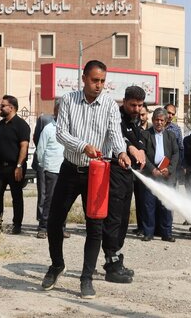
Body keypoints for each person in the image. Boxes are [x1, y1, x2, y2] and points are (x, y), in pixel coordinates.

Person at [41, 60, 130, 299]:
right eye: (94, 80)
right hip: (70, 171)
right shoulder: (68, 100)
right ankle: (57, 265)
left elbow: (115, 134)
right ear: (83, 78)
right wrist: (83, 146)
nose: (99, 85)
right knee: (54, 221)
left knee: (95, 227)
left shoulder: (110, 106)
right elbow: (61, 133)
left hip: (97, 175)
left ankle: (86, 278)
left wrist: (121, 153)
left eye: (102, 81)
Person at [102, 85, 146, 284]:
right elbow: (117, 136)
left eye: (140, 105)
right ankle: (111, 265)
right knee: (114, 219)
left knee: (124, 220)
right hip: (114, 174)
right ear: (125, 102)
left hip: (128, 176)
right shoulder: (116, 117)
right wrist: (130, 148)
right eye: (133, 105)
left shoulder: (135, 121)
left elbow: (138, 140)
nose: (136, 109)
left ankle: (117, 259)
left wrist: (141, 150)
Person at [0, 95, 30, 234]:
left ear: (11, 108)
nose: (0, 108)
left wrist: (19, 166)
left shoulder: (21, 125)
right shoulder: (0, 124)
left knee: (16, 197)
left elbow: (24, 146)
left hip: (15, 168)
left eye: (3, 105)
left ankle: (17, 224)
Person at [141, 107, 179, 242]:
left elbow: (175, 154)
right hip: (151, 174)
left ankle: (167, 233)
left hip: (166, 175)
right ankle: (148, 233)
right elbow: (143, 154)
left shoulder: (171, 136)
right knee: (149, 205)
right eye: (156, 120)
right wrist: (152, 169)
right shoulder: (146, 134)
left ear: (165, 121)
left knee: (166, 205)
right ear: (152, 120)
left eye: (161, 120)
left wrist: (169, 169)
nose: (159, 122)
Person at [35, 101, 64, 239]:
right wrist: (43, 164)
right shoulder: (48, 129)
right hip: (52, 169)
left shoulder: (71, 129)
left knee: (64, 200)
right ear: (56, 110)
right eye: (61, 109)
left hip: (66, 169)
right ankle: (43, 227)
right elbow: (40, 149)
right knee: (50, 199)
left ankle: (61, 228)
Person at [32, 112, 54, 226]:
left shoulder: (69, 121)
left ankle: (60, 225)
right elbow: (37, 139)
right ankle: (42, 221)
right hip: (44, 161)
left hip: (61, 163)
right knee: (43, 193)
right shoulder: (45, 120)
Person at [132, 102, 151, 236]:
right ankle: (139, 227)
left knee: (145, 200)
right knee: (137, 199)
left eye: (143, 114)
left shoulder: (151, 130)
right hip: (133, 168)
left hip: (147, 170)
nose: (141, 117)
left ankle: (146, 227)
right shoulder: (133, 128)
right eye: (139, 114)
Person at [163, 103, 183, 183]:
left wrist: (179, 166)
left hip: (171, 166)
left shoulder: (176, 129)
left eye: (173, 114)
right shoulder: (155, 127)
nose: (170, 116)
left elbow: (180, 148)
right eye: (168, 112)